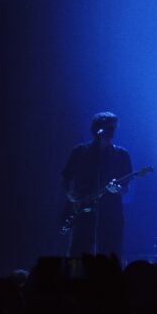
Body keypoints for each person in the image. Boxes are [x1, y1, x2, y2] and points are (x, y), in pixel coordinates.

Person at [60, 111, 133, 258]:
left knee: (110, 253)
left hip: (110, 212)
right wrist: (70, 195)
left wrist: (118, 189)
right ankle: (75, 280)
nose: (111, 132)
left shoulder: (121, 154)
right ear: (97, 129)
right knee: (78, 252)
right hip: (84, 210)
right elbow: (66, 176)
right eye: (108, 128)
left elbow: (125, 187)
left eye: (113, 128)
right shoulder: (80, 152)